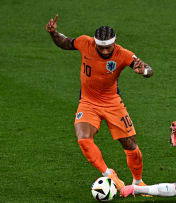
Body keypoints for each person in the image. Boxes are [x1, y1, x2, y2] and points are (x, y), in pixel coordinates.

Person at [46, 14, 154, 191]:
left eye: (108, 47)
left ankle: (138, 182)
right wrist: (53, 33)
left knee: (130, 145)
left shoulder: (123, 54)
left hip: (112, 103)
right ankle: (109, 174)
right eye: (100, 47)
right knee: (83, 139)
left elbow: (149, 70)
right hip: (88, 102)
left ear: (115, 42)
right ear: (95, 42)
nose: (104, 51)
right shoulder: (84, 42)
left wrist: (143, 72)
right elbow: (64, 42)